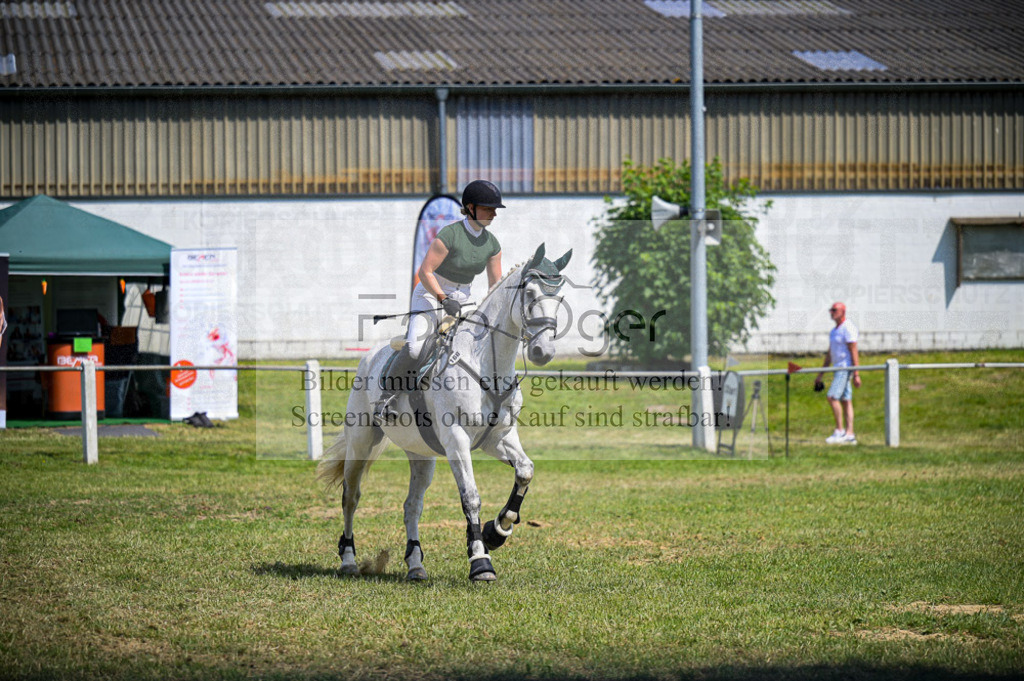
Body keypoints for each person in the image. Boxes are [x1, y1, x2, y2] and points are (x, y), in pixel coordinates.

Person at [374, 180, 505, 423]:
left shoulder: (493, 244)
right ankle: (386, 397)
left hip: (464, 298)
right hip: (429, 293)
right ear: (471, 207)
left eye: (495, 209)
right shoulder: (450, 235)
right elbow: (425, 271)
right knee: (415, 348)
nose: (494, 213)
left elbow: (494, 286)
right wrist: (443, 300)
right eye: (489, 208)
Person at [816, 302, 861, 445]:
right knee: (846, 400)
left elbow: (854, 350)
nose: (832, 312)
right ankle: (849, 434)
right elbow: (830, 353)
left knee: (832, 397)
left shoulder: (848, 328)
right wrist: (821, 374)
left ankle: (840, 431)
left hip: (844, 368)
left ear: (843, 311)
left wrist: (856, 373)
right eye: (831, 310)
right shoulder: (834, 331)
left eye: (834, 310)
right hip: (837, 368)